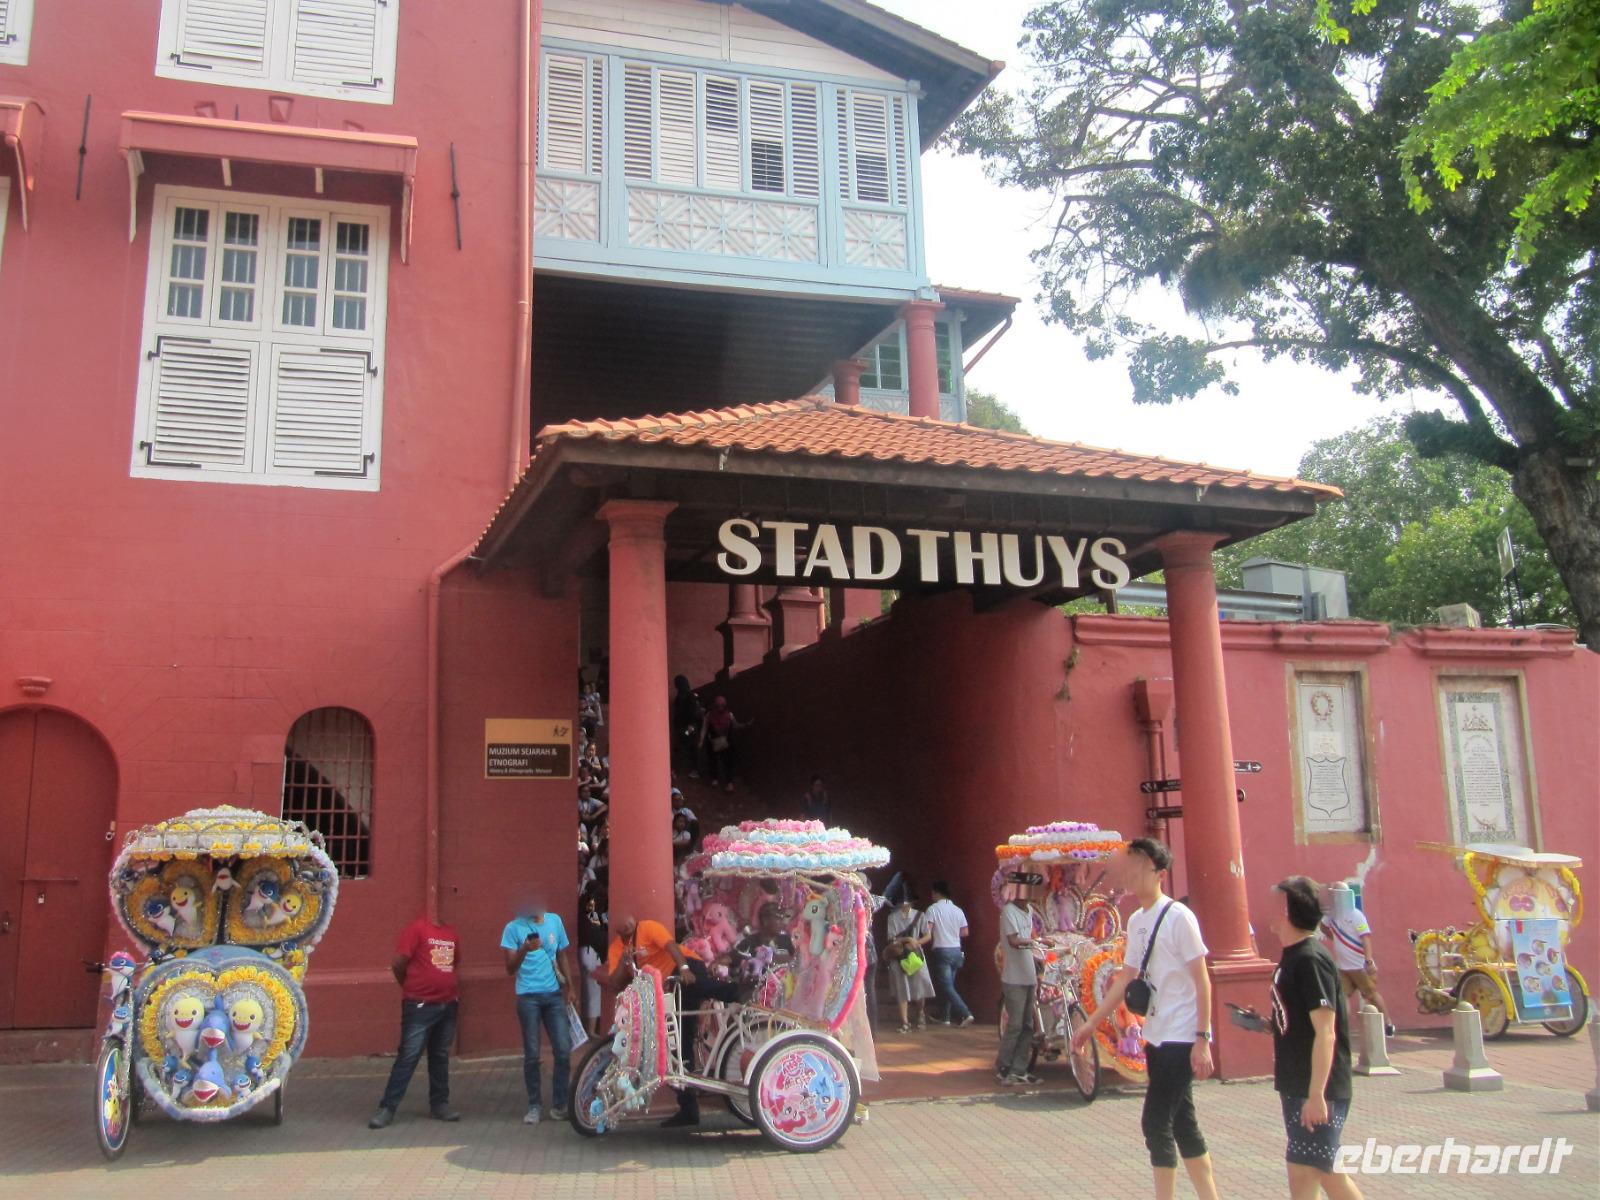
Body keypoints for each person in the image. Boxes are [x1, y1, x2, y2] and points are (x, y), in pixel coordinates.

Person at [1071, 838, 1220, 1200]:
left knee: (1155, 1122)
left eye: (1142, 866)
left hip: (1182, 1035)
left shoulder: (1180, 918)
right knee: (1182, 1121)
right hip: (1155, 1032)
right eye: (1132, 864)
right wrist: (1092, 1022)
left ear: (1161, 875)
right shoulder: (1137, 921)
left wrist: (1202, 1038)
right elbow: (1126, 977)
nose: (1134, 873)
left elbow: (1202, 980)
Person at [1265, 877, 1364, 1200]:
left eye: (1274, 902)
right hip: (1296, 1083)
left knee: (1323, 1171)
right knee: (1302, 1173)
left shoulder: (1310, 959)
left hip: (1317, 1087)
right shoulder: (1291, 956)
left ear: (1287, 910)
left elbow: (1326, 1031)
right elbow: (1298, 1021)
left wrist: (1316, 1095)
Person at [597, 914, 738, 1128]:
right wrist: (624, 964)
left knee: (695, 986)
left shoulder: (648, 926)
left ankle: (738, 993)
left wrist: (684, 969)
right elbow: (616, 983)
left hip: (684, 966)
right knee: (677, 1047)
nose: (627, 920)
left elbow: (671, 946)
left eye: (629, 917)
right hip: (662, 990)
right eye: (621, 918)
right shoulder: (617, 947)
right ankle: (689, 1109)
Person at [369, 913, 461, 1129]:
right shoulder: (417, 929)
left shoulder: (452, 934)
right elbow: (399, 963)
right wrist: (411, 988)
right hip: (420, 1005)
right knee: (409, 1055)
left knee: (440, 1055)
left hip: (447, 1004)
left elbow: (453, 964)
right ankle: (388, 1107)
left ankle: (440, 1103)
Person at [500, 894, 577, 1124]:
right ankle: (534, 1105)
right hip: (527, 997)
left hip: (553, 995)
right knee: (532, 1054)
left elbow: (562, 955)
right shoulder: (513, 928)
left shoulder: (555, 921)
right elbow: (509, 968)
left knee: (563, 1049)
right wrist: (525, 948)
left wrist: (571, 988)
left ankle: (560, 1104)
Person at [1321, 885, 1395, 1038]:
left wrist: (1368, 961)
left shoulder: (1356, 915)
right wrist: (1335, 938)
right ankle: (1342, 1028)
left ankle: (1388, 1024)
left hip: (1359, 965)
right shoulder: (1332, 916)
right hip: (1343, 967)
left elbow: (1365, 937)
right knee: (1342, 996)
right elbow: (1323, 926)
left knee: (1372, 995)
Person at [995, 869, 1044, 1085]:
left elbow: (1030, 937)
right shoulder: (1008, 912)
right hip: (1013, 977)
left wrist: (1038, 944)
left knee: (1027, 1025)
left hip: (1029, 976)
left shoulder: (1029, 911)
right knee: (1015, 1025)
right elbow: (1014, 941)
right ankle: (1003, 1067)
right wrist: (1035, 943)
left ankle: (1019, 1068)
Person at [924, 880, 974, 1026]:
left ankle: (965, 1013)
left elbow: (928, 930)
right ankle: (945, 1017)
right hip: (956, 950)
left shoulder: (933, 909)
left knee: (946, 986)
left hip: (942, 949)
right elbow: (965, 932)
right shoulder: (958, 910)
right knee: (949, 985)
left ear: (936, 893)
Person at [884, 892, 934, 1032]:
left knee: (920, 986)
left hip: (916, 956)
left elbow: (928, 935)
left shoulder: (920, 916)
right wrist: (906, 940)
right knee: (902, 988)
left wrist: (916, 942)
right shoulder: (892, 918)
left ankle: (920, 1012)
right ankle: (905, 1022)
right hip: (899, 956)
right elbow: (891, 938)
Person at [698, 696, 748, 792]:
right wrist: (701, 740)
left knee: (728, 762)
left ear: (725, 706)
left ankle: (729, 782)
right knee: (713, 760)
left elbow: (735, 725)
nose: (720, 708)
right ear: (715, 706)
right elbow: (704, 728)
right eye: (718, 706)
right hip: (713, 741)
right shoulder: (709, 715)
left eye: (722, 706)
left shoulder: (729, 715)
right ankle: (715, 779)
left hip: (726, 742)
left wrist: (745, 725)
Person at [671, 675, 704, 777]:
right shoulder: (688, 695)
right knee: (690, 747)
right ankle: (694, 770)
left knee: (682, 746)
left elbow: (688, 712)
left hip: (688, 727)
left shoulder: (683, 696)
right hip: (690, 726)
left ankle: (677, 769)